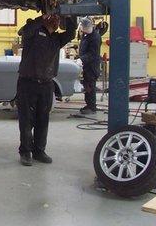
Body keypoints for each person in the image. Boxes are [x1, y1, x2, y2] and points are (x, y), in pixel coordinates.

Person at [16, 13, 76, 166]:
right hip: (27, 83)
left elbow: (71, 33)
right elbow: (24, 30)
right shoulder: (33, 33)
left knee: (43, 119)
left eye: (58, 20)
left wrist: (68, 15)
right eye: (53, 19)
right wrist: (40, 19)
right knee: (26, 120)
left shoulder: (57, 39)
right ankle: (25, 152)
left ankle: (39, 151)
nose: (56, 22)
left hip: (46, 84)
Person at [78, 17, 102, 115]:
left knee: (90, 86)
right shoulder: (86, 35)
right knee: (86, 85)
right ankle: (88, 104)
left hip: (92, 66)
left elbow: (92, 54)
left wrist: (81, 59)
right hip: (86, 65)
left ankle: (92, 107)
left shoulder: (95, 37)